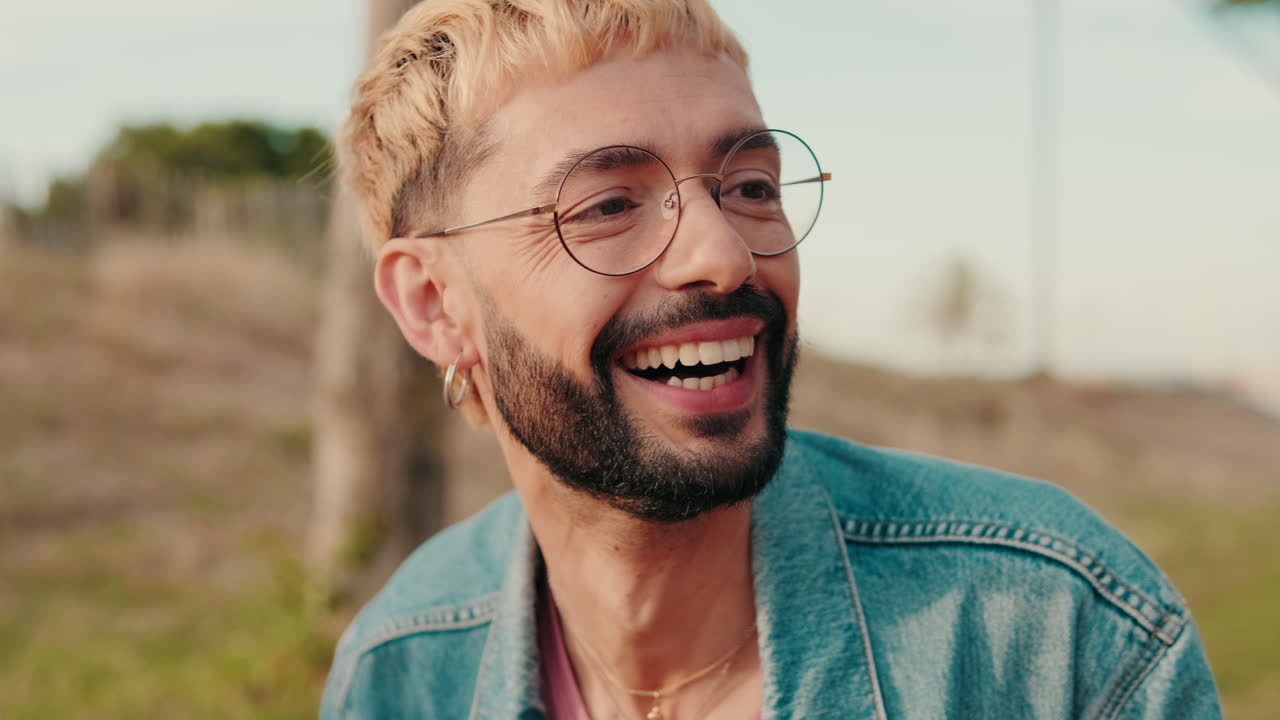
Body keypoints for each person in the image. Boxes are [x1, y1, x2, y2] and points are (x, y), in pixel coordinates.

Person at [320, 1, 1222, 718]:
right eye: (605, 206)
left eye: (749, 187)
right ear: (436, 305)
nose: (723, 254)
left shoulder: (1052, 637)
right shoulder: (401, 671)